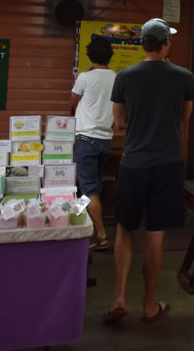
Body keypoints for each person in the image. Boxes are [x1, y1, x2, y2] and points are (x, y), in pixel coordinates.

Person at [104, 18, 194, 324]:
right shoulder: (184, 77)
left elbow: (118, 122)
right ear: (166, 43)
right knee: (156, 235)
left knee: (125, 230)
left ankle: (118, 297)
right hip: (168, 164)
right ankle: (148, 303)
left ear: (143, 44)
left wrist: (138, 124)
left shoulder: (125, 76)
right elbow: (184, 119)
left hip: (133, 163)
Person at [70, 36, 117, 251]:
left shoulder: (84, 78)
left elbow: (72, 102)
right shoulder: (116, 78)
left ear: (90, 55)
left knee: (88, 189)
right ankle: (80, 228)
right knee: (91, 187)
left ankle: (101, 236)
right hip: (105, 141)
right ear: (110, 56)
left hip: (86, 140)